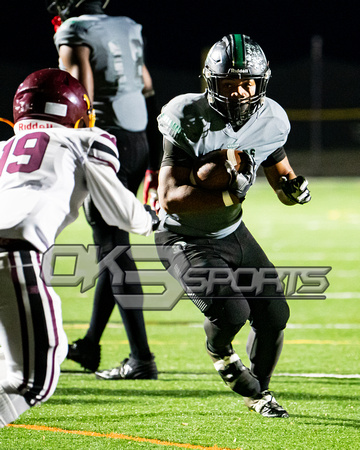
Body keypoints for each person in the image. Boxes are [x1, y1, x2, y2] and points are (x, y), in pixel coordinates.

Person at [155, 34, 311, 418]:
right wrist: (229, 195)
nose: (239, 92)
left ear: (261, 83)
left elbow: (281, 176)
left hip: (231, 232)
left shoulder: (271, 118)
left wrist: (294, 189)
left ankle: (260, 393)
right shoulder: (186, 114)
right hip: (183, 237)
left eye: (247, 83)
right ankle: (220, 349)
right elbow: (169, 196)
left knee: (275, 315)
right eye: (228, 83)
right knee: (232, 312)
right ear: (210, 81)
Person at [0, 68, 159, 427]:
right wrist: (151, 218)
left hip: (12, 250)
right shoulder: (86, 139)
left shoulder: (3, 148)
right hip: (13, 253)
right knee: (33, 381)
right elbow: (121, 211)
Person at [47, 0, 162, 379]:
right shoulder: (128, 24)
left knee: (115, 252)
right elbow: (145, 83)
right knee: (113, 248)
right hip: (138, 137)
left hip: (106, 141)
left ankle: (142, 358)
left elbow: (79, 96)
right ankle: (91, 345)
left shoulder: (75, 29)